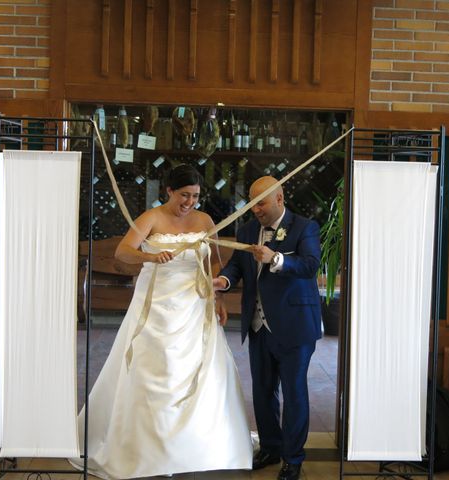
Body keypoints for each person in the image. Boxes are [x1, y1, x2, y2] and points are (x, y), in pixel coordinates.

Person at [70, 164, 252, 479]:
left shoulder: (205, 220)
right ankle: (148, 448)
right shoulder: (151, 218)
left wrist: (218, 298)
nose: (189, 203)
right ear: (169, 191)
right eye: (184, 195)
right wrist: (150, 257)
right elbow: (122, 252)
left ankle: (199, 446)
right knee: (156, 369)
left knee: (204, 370)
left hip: (195, 306)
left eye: (195, 196)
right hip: (156, 306)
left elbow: (213, 261)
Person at [213, 176, 322, 480]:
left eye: (260, 202)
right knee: (262, 392)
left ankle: (293, 458)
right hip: (258, 324)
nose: (255, 209)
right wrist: (224, 281)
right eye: (251, 203)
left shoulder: (304, 227)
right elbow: (237, 265)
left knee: (294, 392)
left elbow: (310, 265)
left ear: (279, 198)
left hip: (295, 326)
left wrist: (276, 258)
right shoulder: (248, 230)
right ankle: (271, 448)